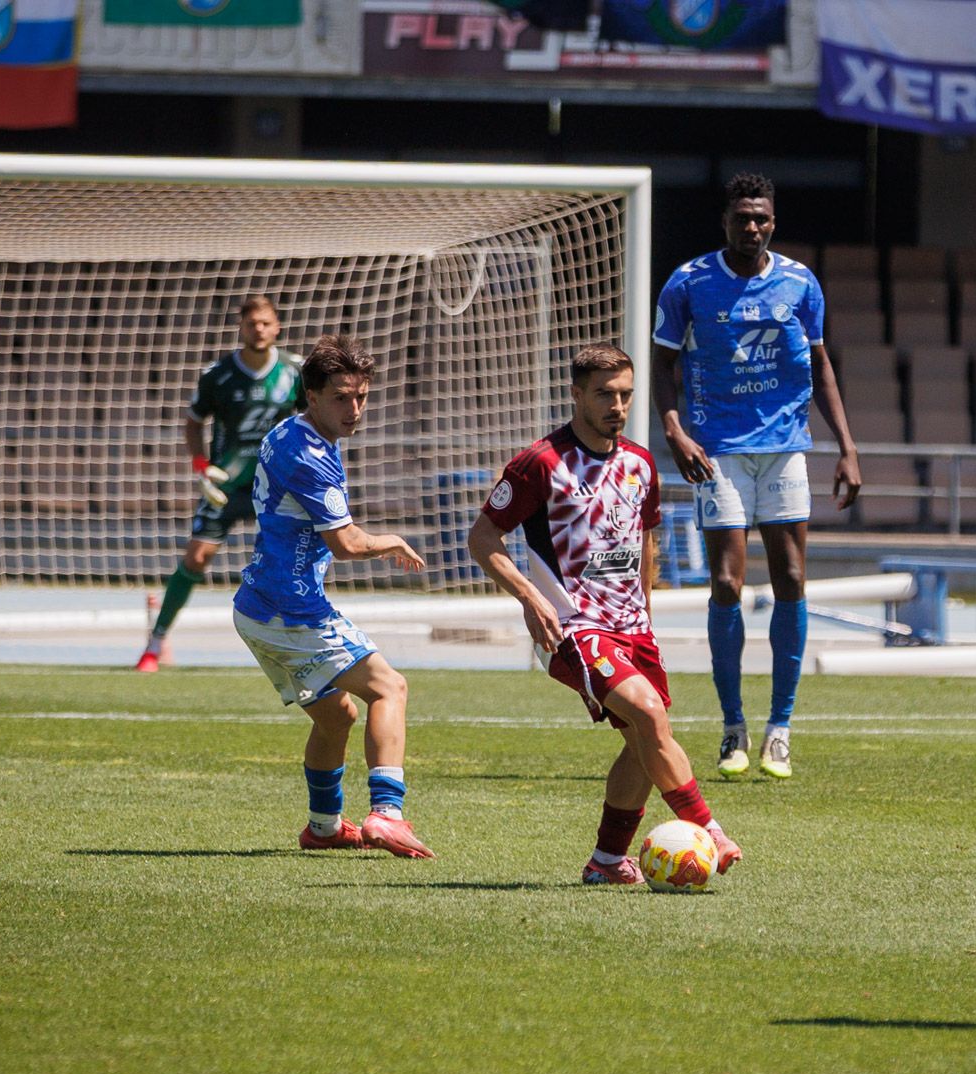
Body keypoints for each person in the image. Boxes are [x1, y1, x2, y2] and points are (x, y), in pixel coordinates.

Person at [468, 343, 743, 885]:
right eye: (604, 395)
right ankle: (707, 828)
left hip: (633, 626)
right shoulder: (539, 464)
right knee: (648, 715)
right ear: (576, 395)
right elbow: (483, 537)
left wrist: (646, 612)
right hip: (574, 625)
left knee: (643, 744)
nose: (617, 406)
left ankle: (608, 861)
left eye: (625, 395)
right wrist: (530, 597)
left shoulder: (640, 463)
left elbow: (643, 540)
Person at [652, 172, 861, 781]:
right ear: (725, 222)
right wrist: (674, 430)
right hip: (716, 450)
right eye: (742, 217)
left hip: (786, 449)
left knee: (793, 577)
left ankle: (781, 728)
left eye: (762, 218)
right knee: (725, 583)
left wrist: (847, 448)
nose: (752, 227)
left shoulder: (800, 283)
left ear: (774, 221)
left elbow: (819, 365)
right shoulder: (689, 282)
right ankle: (732, 725)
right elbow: (663, 363)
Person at [232, 333, 434, 858]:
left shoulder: (286, 432)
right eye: (342, 397)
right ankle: (387, 814)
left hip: (255, 606)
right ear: (312, 394)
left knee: (335, 715)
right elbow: (345, 545)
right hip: (290, 610)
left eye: (362, 396)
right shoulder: (312, 457)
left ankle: (323, 828)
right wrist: (389, 540)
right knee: (390, 688)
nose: (355, 409)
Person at [137, 295, 303, 672]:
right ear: (241, 328)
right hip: (226, 484)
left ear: (277, 327)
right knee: (197, 557)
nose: (258, 329)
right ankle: (155, 642)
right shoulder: (218, 374)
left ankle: (296, 646)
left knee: (290, 561)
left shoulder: (296, 371)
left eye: (265, 322)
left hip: (276, 486)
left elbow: (313, 419)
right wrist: (201, 465)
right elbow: (194, 421)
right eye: (251, 323)